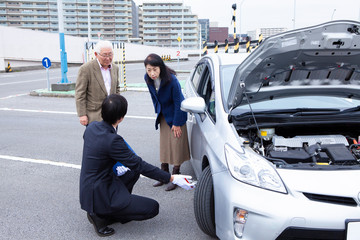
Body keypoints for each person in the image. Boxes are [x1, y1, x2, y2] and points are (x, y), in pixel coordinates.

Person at [79, 94, 195, 237]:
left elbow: (102, 155)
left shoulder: (91, 128)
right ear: (121, 118)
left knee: (131, 172)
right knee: (152, 208)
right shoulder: (112, 140)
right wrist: (171, 178)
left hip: (89, 187)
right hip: (99, 193)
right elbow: (140, 165)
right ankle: (100, 215)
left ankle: (113, 210)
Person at [143, 53, 190, 191]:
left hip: (176, 114)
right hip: (163, 114)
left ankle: (175, 176)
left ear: (161, 68)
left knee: (176, 144)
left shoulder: (172, 80)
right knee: (164, 145)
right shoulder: (148, 79)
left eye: (155, 69)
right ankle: (164, 175)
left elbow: (178, 102)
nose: (152, 73)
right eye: (149, 70)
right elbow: (154, 97)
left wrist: (177, 123)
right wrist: (158, 111)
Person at [75, 40, 120, 126]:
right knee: (96, 139)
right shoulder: (86, 69)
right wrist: (82, 114)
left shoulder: (115, 68)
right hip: (94, 115)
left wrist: (118, 108)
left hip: (112, 115)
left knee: (112, 139)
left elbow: (117, 89)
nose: (108, 58)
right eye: (105, 55)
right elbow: (80, 93)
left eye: (110, 54)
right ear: (96, 54)